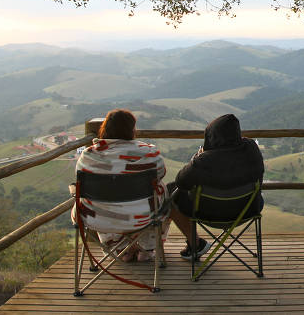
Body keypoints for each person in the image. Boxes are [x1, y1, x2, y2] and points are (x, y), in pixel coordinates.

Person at [73, 109, 168, 262]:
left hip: (95, 218)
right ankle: (147, 248)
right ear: (132, 130)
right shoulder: (149, 153)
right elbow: (161, 173)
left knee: (104, 201)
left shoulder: (88, 156)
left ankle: (119, 249)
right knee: (163, 192)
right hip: (143, 217)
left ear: (104, 129)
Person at [168, 114, 265, 260]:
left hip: (208, 214)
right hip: (248, 210)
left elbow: (181, 182)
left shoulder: (202, 162)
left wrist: (198, 156)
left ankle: (195, 244)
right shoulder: (251, 150)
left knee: (171, 192)